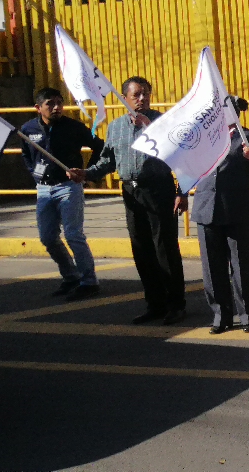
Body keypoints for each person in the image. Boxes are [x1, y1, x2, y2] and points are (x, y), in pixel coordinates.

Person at [72, 77, 188, 323]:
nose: (142, 99)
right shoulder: (116, 127)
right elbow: (108, 161)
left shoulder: (163, 122)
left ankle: (175, 303)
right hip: (131, 192)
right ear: (125, 98)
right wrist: (86, 173)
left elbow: (178, 154)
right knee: (141, 249)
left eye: (145, 94)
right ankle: (154, 303)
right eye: (136, 95)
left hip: (158, 189)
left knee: (164, 248)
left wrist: (182, 191)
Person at [189, 97, 249, 334]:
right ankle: (221, 315)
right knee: (212, 268)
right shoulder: (202, 138)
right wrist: (179, 193)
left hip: (238, 209)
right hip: (206, 208)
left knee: (243, 266)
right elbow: (185, 168)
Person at [24, 87, 104, 301]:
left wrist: (88, 172)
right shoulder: (28, 129)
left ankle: (89, 281)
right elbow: (26, 154)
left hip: (68, 188)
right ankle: (70, 276)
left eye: (59, 102)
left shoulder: (74, 128)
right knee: (48, 237)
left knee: (73, 234)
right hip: (43, 189)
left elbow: (99, 146)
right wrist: (34, 173)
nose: (57, 107)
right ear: (38, 108)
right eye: (50, 103)